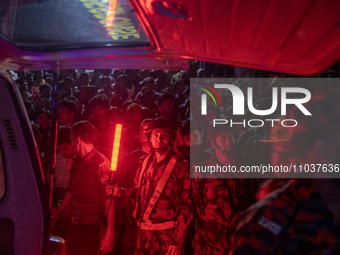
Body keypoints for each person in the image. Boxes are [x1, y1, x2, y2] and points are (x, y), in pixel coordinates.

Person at [229, 91, 340, 255]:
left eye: (288, 153)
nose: (279, 163)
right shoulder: (267, 227)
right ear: (324, 151)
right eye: (275, 152)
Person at [108, 117, 194, 255]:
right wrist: (119, 192)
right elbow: (136, 194)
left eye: (164, 135)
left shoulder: (181, 166)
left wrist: (177, 241)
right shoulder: (144, 162)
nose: (159, 138)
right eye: (155, 135)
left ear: (171, 138)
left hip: (166, 237)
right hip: (142, 236)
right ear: (150, 138)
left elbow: (186, 208)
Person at [51, 121, 114, 255]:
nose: (71, 144)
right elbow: (71, 191)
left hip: (91, 228)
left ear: (78, 140)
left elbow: (110, 200)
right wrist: (56, 216)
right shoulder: (77, 162)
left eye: (72, 140)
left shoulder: (101, 164)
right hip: (73, 226)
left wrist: (110, 232)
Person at [192, 124, 257, 255]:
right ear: (213, 143)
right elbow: (196, 204)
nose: (229, 142)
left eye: (231, 138)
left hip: (237, 237)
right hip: (210, 241)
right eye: (223, 138)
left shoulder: (247, 168)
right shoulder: (202, 171)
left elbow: (252, 203)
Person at [114, 119, 153, 255]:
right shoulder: (129, 159)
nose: (143, 132)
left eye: (147, 130)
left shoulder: (162, 159)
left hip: (153, 222)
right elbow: (120, 189)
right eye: (141, 130)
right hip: (131, 221)